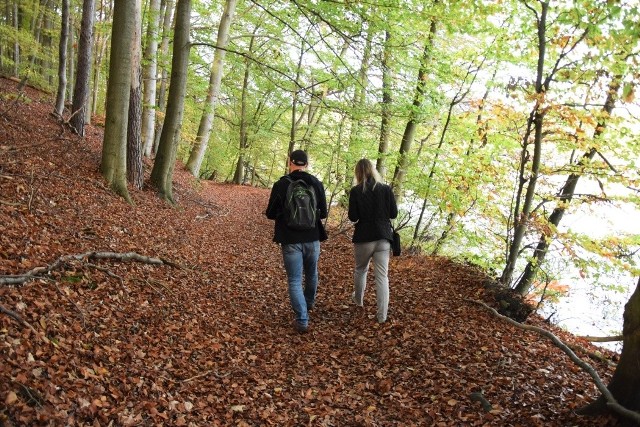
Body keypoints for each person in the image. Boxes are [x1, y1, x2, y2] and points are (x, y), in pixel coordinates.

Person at [266, 149, 328, 333]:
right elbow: (323, 213)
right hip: (312, 237)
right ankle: (308, 304)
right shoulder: (316, 183)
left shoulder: (281, 184)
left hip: (290, 238)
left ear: (290, 162)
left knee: (294, 279)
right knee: (311, 274)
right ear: (306, 164)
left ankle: (302, 319)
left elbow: (270, 213)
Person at [348, 158, 398, 324]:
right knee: (382, 277)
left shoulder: (355, 191)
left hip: (364, 237)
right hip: (383, 237)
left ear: (358, 173)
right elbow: (393, 214)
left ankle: (359, 300)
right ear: (373, 170)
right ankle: (382, 316)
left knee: (360, 269)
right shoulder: (385, 189)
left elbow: (353, 217)